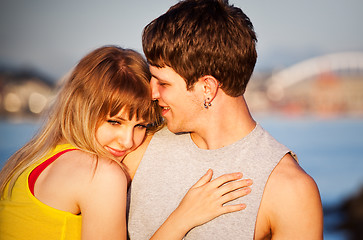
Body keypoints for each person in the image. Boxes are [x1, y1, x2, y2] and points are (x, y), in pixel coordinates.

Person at [0, 45, 252, 240]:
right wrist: (183, 217)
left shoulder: (28, 162)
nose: (128, 141)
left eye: (140, 125)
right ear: (82, 108)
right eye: (114, 122)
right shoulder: (99, 174)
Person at [125, 0, 324, 239]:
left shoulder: (289, 189)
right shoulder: (135, 144)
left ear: (207, 87)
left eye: (163, 83)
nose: (152, 93)